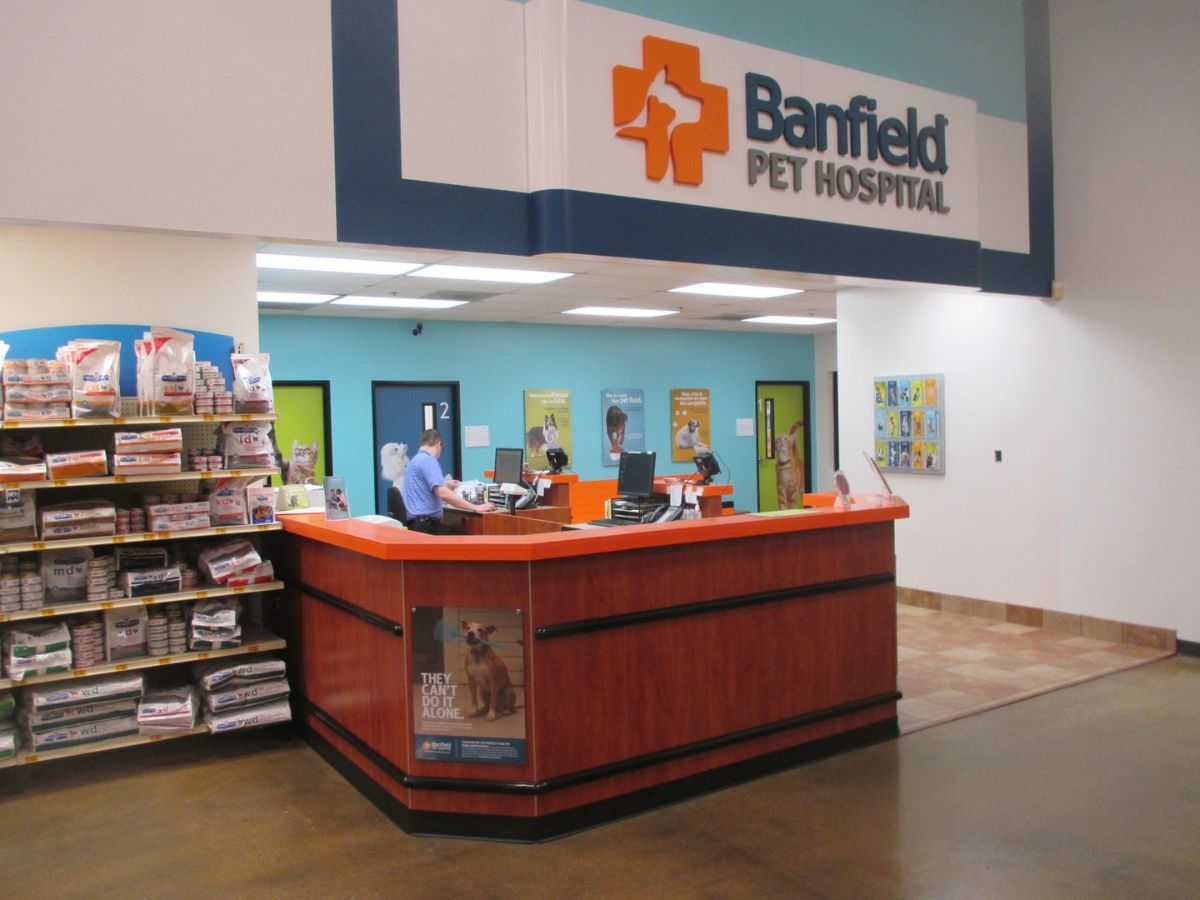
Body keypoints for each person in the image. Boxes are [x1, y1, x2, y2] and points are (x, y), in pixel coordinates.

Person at [400, 428, 494, 534]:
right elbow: (443, 493)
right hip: (427, 527)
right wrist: (475, 507)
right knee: (468, 544)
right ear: (438, 444)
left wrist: (445, 484)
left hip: (415, 526)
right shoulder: (428, 460)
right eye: (442, 449)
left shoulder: (413, 462)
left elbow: (421, 487)